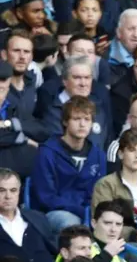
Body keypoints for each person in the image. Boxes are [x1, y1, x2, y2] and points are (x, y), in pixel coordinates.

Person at [31, 96, 107, 237]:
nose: (82, 124)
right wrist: (81, 211)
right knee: (72, 226)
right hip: (53, 213)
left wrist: (90, 213)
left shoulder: (98, 155)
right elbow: (46, 197)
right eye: (77, 119)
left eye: (87, 119)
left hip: (88, 214)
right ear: (65, 121)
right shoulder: (47, 152)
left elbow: (97, 193)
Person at [91, 130, 137, 244]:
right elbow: (103, 223)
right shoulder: (106, 184)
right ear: (121, 154)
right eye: (132, 150)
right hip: (121, 244)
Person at [0, 168, 56, 262]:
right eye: (2, 190)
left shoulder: (37, 218)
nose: (8, 196)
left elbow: (53, 253)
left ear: (19, 192)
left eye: (13, 190)